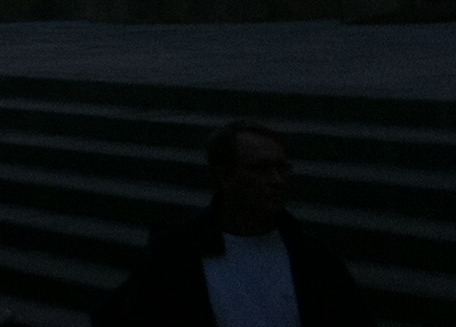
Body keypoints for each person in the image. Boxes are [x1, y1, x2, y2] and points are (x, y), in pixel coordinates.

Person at [94, 121, 369, 326]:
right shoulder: (175, 255)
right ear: (224, 177)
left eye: (282, 168)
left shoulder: (313, 257)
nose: (277, 180)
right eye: (261, 169)